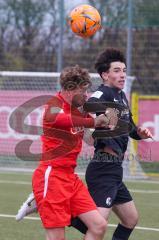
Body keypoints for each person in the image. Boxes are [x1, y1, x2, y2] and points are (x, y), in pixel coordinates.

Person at [17, 65, 119, 240]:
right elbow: (58, 119)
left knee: (99, 225)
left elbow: (90, 139)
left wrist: (109, 123)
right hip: (52, 176)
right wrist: (93, 122)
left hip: (70, 179)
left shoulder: (80, 110)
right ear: (71, 89)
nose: (86, 95)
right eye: (83, 91)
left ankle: (38, 200)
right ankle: (40, 196)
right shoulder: (53, 104)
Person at [70, 48, 153, 240]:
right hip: (103, 169)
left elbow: (130, 128)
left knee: (130, 219)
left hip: (115, 170)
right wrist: (102, 119)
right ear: (105, 75)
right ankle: (63, 213)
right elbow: (90, 105)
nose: (122, 74)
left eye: (123, 70)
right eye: (116, 70)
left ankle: (67, 214)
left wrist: (139, 132)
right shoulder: (104, 93)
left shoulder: (121, 96)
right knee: (97, 226)